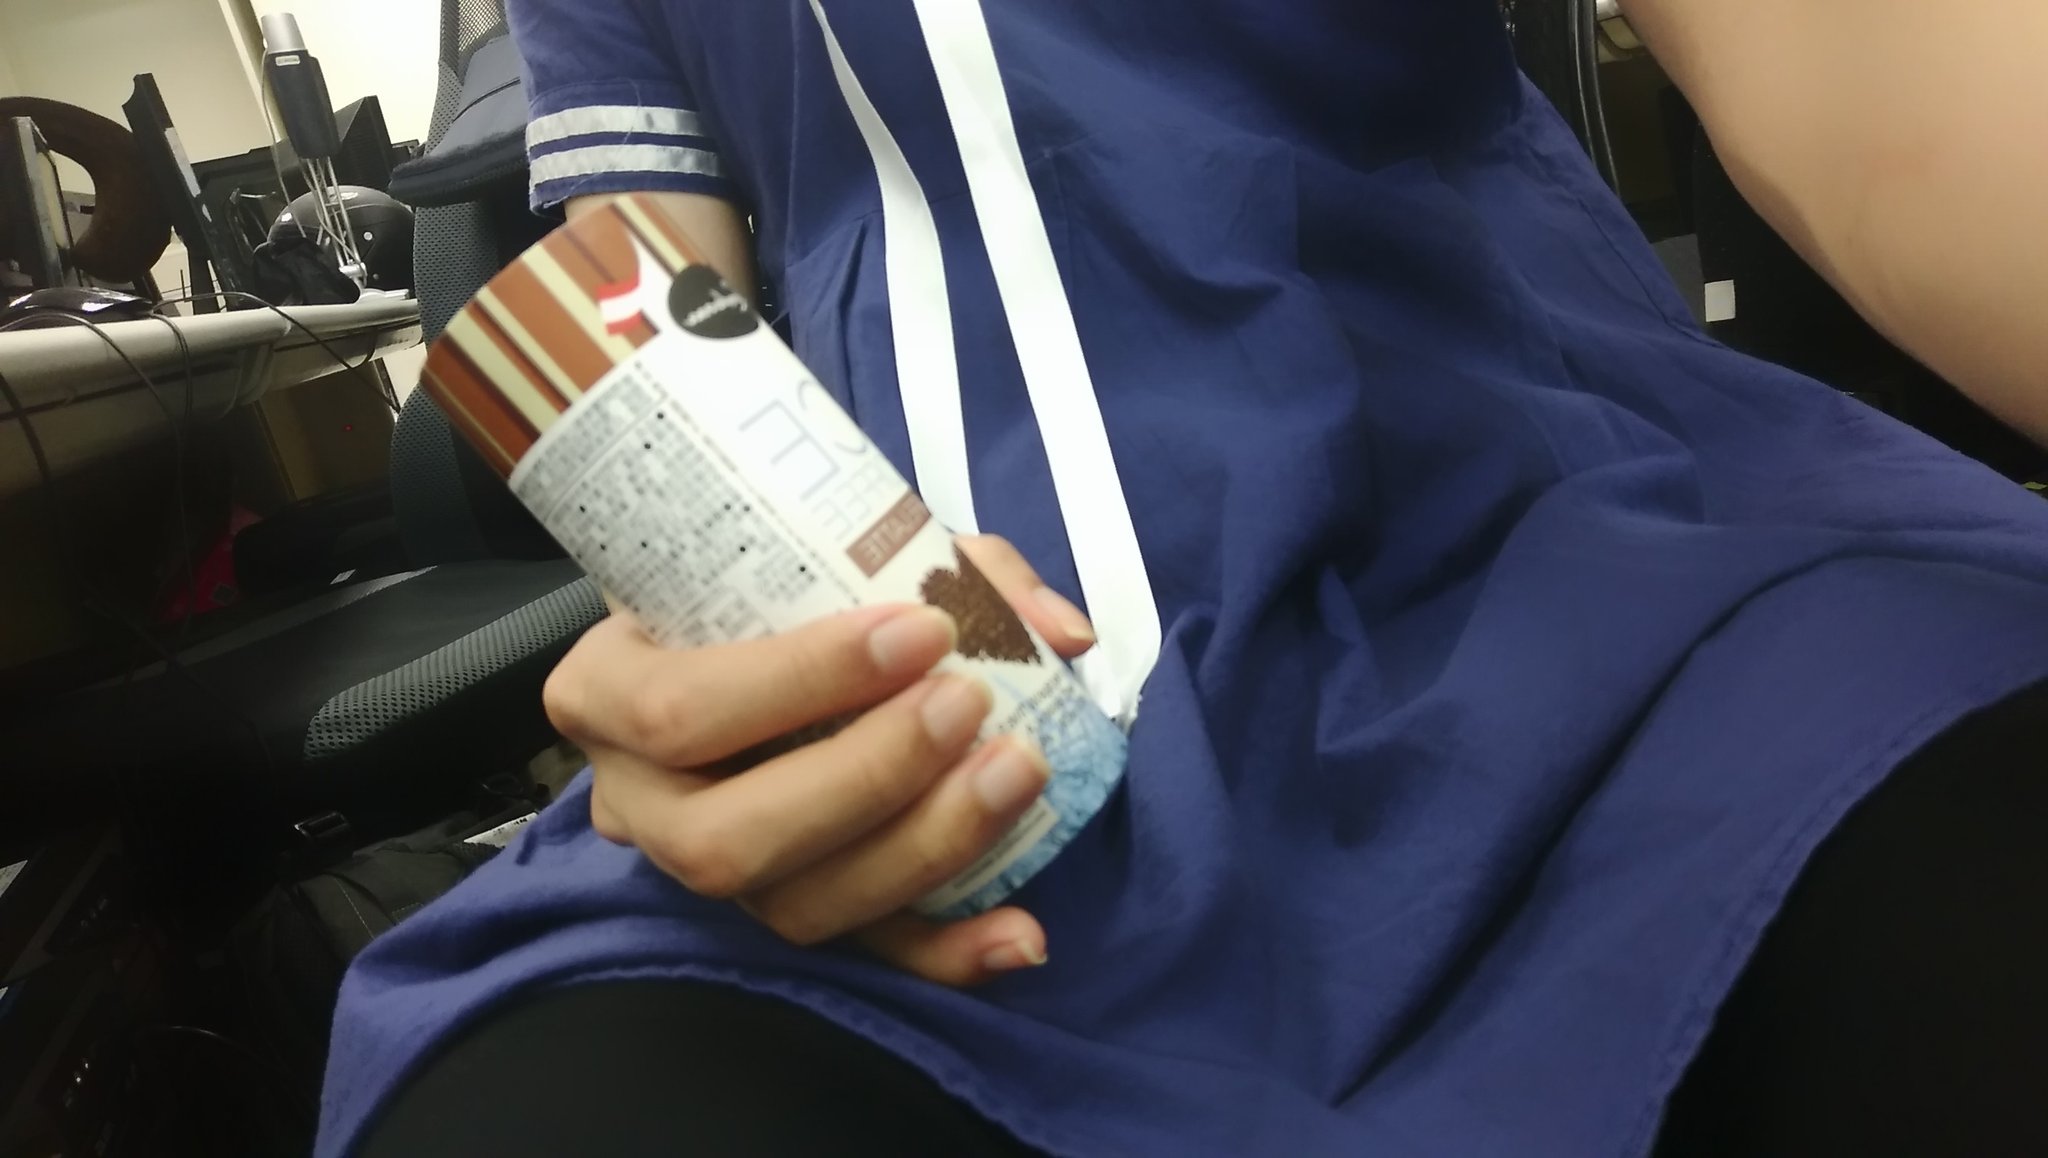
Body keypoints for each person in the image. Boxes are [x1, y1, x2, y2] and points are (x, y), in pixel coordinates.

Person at [320, 1, 2048, 1154]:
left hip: (1589, 564)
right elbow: (641, 318)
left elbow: (1873, 87)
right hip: (941, 710)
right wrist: (708, 663)